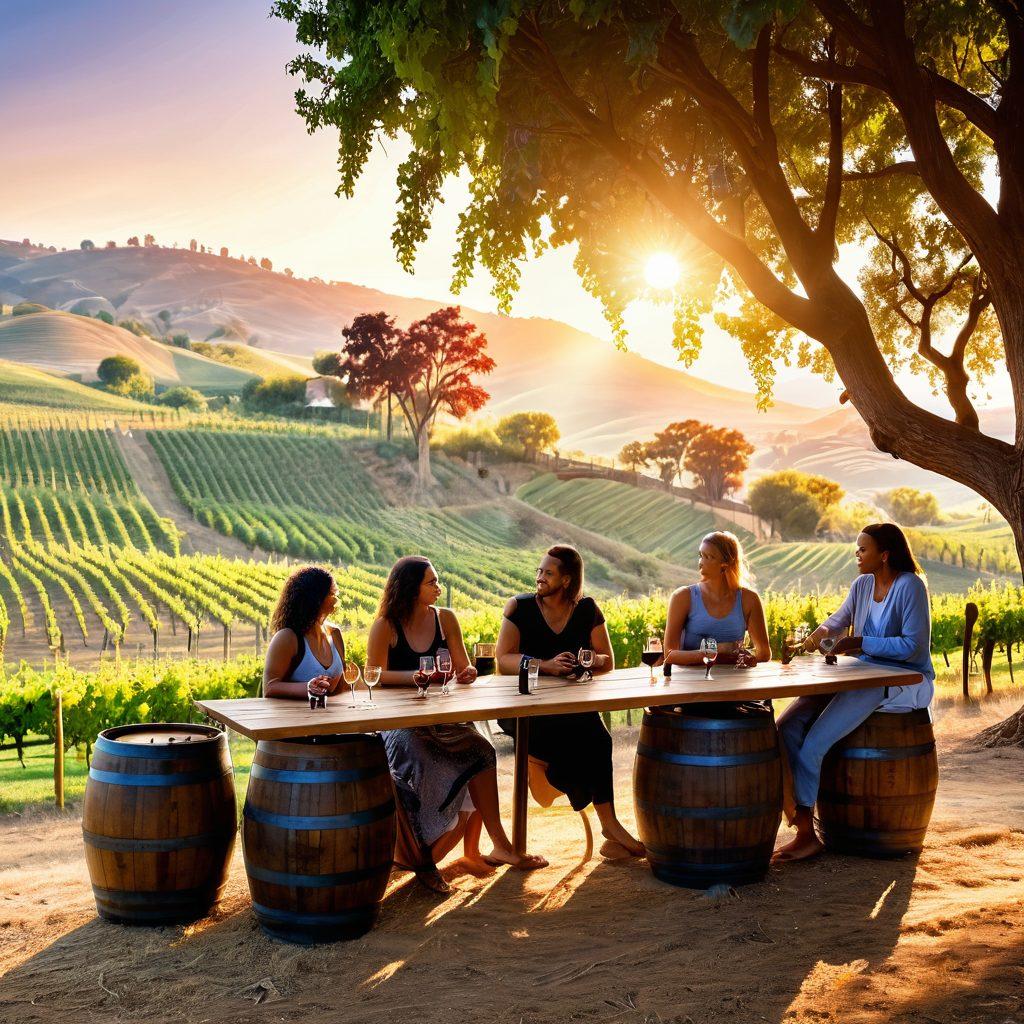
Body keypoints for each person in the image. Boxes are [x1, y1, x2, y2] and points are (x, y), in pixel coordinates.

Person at [367, 556, 547, 892]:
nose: (438, 587)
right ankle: (423, 855)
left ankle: (495, 845)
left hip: (444, 716)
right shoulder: (386, 626)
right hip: (400, 724)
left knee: (482, 749)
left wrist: (467, 674)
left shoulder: (445, 619)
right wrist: (416, 677)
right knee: (428, 760)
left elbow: (463, 670)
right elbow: (373, 678)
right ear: (410, 587)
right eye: (431, 582)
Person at [773, 523, 934, 864]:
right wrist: (805, 642)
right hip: (857, 675)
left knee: (814, 744)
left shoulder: (910, 587)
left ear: (884, 554)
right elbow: (836, 621)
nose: (857, 555)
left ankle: (805, 837)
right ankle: (799, 818)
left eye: (863, 549)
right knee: (785, 727)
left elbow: (913, 646)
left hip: (900, 680)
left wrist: (860, 642)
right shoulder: (862, 584)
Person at [495, 544, 645, 859]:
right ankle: (552, 787)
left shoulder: (587, 609)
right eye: (539, 571)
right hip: (527, 708)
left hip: (571, 706)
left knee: (601, 741)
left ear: (566, 580)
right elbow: (503, 659)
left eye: (548, 573)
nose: (539, 577)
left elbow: (608, 662)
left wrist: (589, 660)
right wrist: (545, 664)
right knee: (571, 750)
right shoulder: (519, 608)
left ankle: (610, 824)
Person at [661, 531, 772, 714]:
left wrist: (745, 656)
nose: (700, 562)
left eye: (708, 556)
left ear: (725, 564)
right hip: (691, 689)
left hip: (735, 689)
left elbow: (764, 653)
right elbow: (669, 654)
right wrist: (716, 651)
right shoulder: (683, 597)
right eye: (700, 555)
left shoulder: (748, 599)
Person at [263, 565, 347, 701]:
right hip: (296, 720)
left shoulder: (335, 633)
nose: (336, 600)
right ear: (314, 598)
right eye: (331, 594)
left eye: (336, 594)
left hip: (332, 717)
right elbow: (269, 687)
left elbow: (342, 686)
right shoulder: (288, 638)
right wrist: (308, 687)